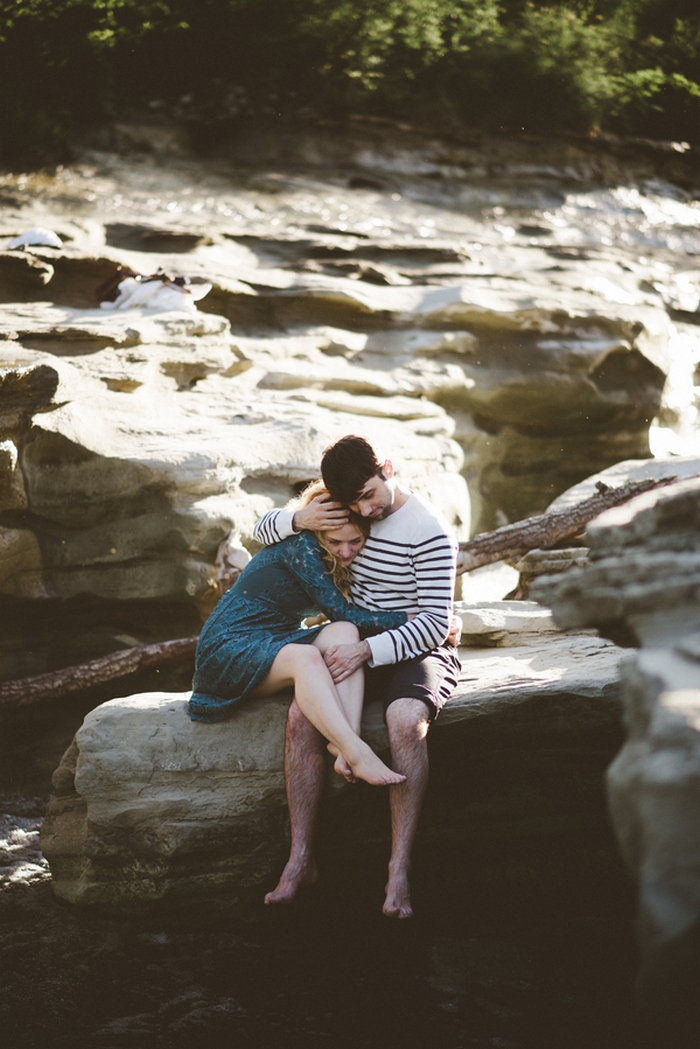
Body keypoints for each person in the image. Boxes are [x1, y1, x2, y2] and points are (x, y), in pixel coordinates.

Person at [253, 435, 461, 917]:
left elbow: (433, 622)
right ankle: (300, 859)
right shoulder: (344, 509)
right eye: (354, 503)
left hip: (413, 645)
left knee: (405, 721)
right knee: (302, 717)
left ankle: (398, 870)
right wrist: (300, 519)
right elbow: (262, 530)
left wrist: (370, 650)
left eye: (370, 495)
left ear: (388, 468)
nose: (364, 511)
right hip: (352, 638)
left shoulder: (429, 532)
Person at [189, 481, 409, 789]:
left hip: (277, 638)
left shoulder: (342, 554)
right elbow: (341, 610)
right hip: (229, 646)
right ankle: (358, 753)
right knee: (310, 653)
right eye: (335, 542)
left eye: (355, 541)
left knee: (346, 634)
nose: (346, 552)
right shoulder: (301, 544)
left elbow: (347, 621)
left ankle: (345, 741)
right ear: (319, 530)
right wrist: (409, 619)